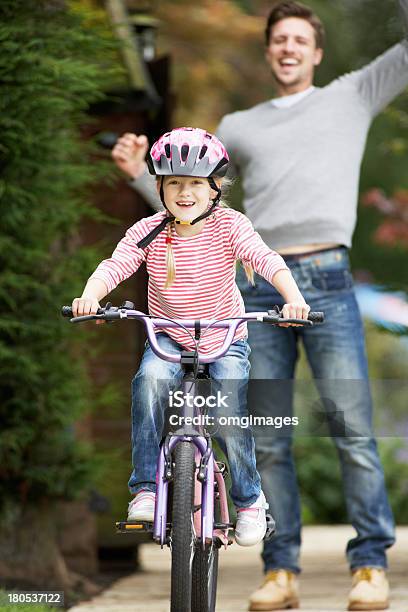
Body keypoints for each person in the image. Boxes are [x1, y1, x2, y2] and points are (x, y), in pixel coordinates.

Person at [111, 2, 408, 608]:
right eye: (279, 39)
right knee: (264, 431)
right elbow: (197, 202)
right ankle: (281, 570)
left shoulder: (351, 95)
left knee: (350, 428)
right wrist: (141, 177)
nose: (289, 47)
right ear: (269, 50)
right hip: (252, 290)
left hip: (325, 282)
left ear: (317, 52)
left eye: (301, 39)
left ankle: (370, 565)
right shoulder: (240, 125)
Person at [72, 127, 311, 548]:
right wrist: (91, 296)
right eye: (174, 183)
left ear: (215, 188)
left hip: (224, 337)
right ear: (160, 186)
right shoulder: (148, 230)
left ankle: (250, 500)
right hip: (167, 338)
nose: (185, 192)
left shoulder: (230, 226)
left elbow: (266, 260)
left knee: (230, 411)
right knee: (148, 384)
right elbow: (115, 265)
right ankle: (146, 488)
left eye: (196, 183)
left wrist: (293, 299)